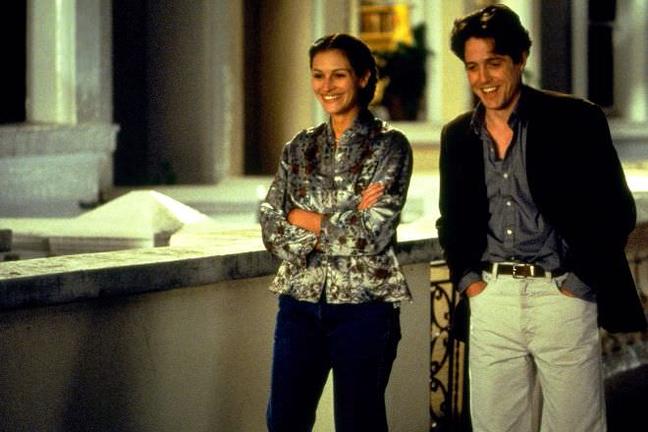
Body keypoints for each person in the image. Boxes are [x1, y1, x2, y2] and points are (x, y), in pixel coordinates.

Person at [437, 4, 647, 431]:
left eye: (494, 63)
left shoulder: (576, 119)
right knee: (496, 426)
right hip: (491, 297)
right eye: (473, 67)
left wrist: (578, 283)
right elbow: (452, 221)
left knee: (574, 425)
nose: (483, 78)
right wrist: (471, 283)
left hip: (561, 294)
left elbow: (616, 211)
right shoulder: (457, 135)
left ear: (520, 59)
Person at [259, 33, 413, 432]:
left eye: (338, 75)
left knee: (358, 424)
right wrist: (348, 213)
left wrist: (303, 217)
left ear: (362, 77)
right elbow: (271, 224)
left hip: (365, 307)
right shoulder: (298, 148)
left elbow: (373, 234)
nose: (326, 86)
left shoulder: (389, 147)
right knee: (284, 423)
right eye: (318, 75)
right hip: (298, 305)